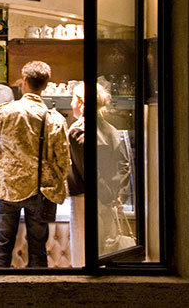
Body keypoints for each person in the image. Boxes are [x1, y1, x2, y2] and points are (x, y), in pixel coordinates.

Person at [0, 61, 70, 268]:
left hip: (7, 189)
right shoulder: (54, 119)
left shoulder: (4, 111)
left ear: (24, 82)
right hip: (40, 192)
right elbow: (63, 161)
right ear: (45, 86)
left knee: (1, 251)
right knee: (38, 251)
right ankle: (37, 295)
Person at [66, 82, 132, 267]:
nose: (71, 104)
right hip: (109, 200)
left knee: (83, 255)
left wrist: (104, 194)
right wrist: (118, 195)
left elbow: (88, 170)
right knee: (103, 252)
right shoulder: (110, 129)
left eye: (73, 99)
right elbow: (124, 165)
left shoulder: (78, 130)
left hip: (85, 199)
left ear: (80, 103)